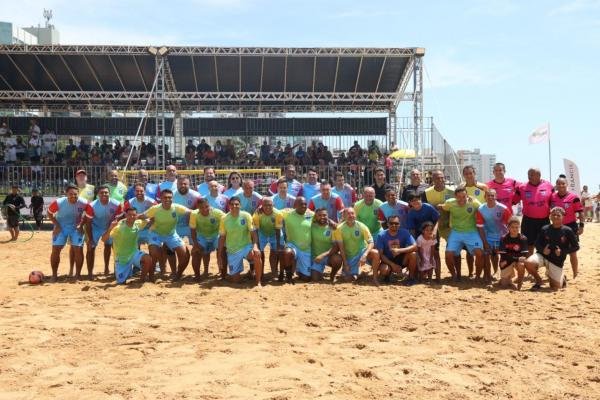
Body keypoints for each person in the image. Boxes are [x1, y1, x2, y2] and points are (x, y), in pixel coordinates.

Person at [525, 207, 579, 290]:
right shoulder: (545, 228)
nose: (556, 217)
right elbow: (537, 243)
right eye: (553, 215)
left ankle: (562, 277)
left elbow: (576, 246)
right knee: (528, 263)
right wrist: (543, 250)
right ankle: (539, 281)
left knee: (555, 287)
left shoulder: (568, 230)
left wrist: (562, 252)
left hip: (556, 261)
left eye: (558, 215)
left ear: (563, 217)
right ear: (550, 216)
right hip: (543, 256)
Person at [47, 184, 93, 281]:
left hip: (76, 227)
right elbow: (49, 213)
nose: (73, 196)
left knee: (78, 249)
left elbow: (89, 215)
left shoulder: (84, 202)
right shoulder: (59, 202)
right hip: (61, 226)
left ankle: (78, 275)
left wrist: (81, 225)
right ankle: (54, 275)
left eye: (75, 194)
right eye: (71, 194)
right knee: (55, 249)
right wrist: (57, 225)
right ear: (66, 194)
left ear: (78, 194)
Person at [438, 186, 485, 281]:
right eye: (459, 197)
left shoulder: (473, 202)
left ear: (467, 195)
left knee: (479, 253)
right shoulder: (450, 203)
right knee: (448, 254)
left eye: (464, 196)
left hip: (472, 232)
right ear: (455, 196)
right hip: (456, 233)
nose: (461, 199)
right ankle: (454, 275)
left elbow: (483, 209)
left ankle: (477, 277)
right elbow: (441, 207)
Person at [217, 196, 263, 286]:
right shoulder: (224, 219)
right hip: (232, 251)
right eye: (232, 204)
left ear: (240, 205)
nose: (234, 206)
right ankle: (245, 274)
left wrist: (255, 246)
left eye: (237, 204)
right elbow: (222, 238)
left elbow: (253, 233)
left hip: (246, 247)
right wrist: (219, 255)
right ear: (229, 206)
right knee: (236, 281)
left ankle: (258, 282)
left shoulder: (246, 215)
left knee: (257, 255)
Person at [145, 189, 191, 278]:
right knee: (154, 252)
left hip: (171, 234)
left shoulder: (176, 207)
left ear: (172, 198)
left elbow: (191, 212)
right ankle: (151, 275)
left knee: (185, 254)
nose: (167, 199)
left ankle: (178, 274)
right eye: (165, 197)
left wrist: (208, 211)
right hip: (156, 234)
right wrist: (125, 218)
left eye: (169, 197)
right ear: (161, 199)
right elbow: (141, 215)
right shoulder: (155, 209)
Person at [101, 207, 154, 284]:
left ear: (136, 215)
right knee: (121, 283)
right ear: (125, 215)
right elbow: (103, 239)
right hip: (121, 258)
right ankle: (126, 273)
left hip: (133, 253)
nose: (132, 217)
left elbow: (150, 220)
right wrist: (110, 228)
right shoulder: (118, 227)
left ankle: (142, 280)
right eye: (129, 215)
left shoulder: (138, 223)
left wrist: (146, 217)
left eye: (134, 215)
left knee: (147, 258)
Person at [86, 185, 124, 278]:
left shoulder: (116, 204)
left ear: (109, 194)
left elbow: (120, 219)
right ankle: (90, 273)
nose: (104, 194)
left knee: (110, 247)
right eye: (101, 193)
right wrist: (90, 239)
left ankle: (108, 268)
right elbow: (88, 224)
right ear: (98, 194)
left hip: (109, 227)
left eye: (106, 192)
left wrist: (114, 226)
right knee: (90, 248)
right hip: (95, 227)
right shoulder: (91, 205)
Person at [334, 207, 380, 283]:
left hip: (361, 252)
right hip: (349, 256)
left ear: (355, 215)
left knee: (375, 253)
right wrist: (345, 263)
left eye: (352, 213)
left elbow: (371, 242)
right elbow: (341, 248)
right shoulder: (339, 229)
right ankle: (360, 272)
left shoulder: (362, 226)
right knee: (347, 279)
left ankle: (375, 278)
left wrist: (365, 255)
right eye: (348, 214)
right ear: (344, 216)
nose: (351, 215)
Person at [514, 168, 554, 255]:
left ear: (539, 176)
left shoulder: (549, 186)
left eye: (532, 174)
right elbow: (513, 201)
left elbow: (555, 201)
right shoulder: (521, 187)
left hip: (544, 221)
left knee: (544, 245)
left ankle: (543, 264)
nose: (529, 176)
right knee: (528, 245)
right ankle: (530, 266)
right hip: (528, 221)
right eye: (529, 174)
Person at [550, 177, 584, 274]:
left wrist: (581, 226)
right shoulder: (552, 197)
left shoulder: (574, 197)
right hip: (556, 227)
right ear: (556, 185)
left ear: (567, 184)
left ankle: (575, 273)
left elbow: (581, 212)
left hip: (571, 227)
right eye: (559, 184)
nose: (561, 186)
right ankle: (555, 272)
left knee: (572, 252)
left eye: (563, 183)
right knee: (556, 251)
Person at [475, 189, 512, 276]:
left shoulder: (503, 208)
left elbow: (511, 225)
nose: (490, 197)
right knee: (486, 255)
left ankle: (497, 272)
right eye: (488, 195)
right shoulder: (481, 209)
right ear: (485, 197)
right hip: (488, 236)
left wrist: (509, 239)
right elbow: (480, 227)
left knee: (498, 255)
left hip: (502, 236)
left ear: (496, 197)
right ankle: (487, 275)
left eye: (492, 195)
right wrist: (484, 242)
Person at [188, 198, 226, 280]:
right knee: (196, 252)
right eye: (201, 207)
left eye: (207, 206)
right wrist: (195, 244)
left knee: (222, 250)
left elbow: (228, 218)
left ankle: (222, 274)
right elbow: (193, 230)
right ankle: (199, 275)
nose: (205, 209)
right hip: (202, 236)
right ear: (197, 207)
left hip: (216, 235)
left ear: (209, 205)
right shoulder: (194, 214)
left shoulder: (217, 212)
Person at [280, 197, 314, 282]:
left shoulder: (310, 214)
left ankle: (299, 269)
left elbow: (322, 217)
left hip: (306, 249)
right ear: (295, 205)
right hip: (292, 245)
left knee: (306, 278)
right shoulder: (287, 213)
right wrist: (260, 208)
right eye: (301, 204)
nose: (304, 206)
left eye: (305, 204)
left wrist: (331, 222)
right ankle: (288, 275)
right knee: (287, 253)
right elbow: (273, 212)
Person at [375, 215, 417, 285]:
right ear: (387, 224)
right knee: (384, 270)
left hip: (401, 259)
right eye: (391, 223)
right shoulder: (381, 235)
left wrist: (399, 250)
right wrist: (393, 265)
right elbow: (381, 254)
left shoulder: (405, 232)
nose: (394, 225)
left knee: (413, 255)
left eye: (396, 223)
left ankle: (411, 277)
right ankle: (387, 276)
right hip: (388, 260)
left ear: (399, 224)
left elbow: (415, 246)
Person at [252, 197, 283, 279]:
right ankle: (260, 272)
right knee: (259, 252)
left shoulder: (278, 214)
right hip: (262, 233)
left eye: (270, 205)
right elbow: (256, 230)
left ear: (273, 205)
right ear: (261, 205)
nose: (268, 207)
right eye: (265, 205)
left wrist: (278, 244)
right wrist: (257, 243)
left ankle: (274, 271)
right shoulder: (257, 214)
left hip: (274, 233)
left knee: (275, 251)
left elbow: (278, 230)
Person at [310, 208, 343, 282]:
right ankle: (318, 270)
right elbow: (306, 213)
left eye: (324, 215)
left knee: (337, 259)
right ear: (315, 216)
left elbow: (336, 247)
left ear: (328, 216)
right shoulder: (311, 226)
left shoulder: (333, 228)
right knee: (315, 279)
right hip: (316, 258)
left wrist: (323, 255)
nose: (322, 217)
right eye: (319, 215)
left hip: (328, 257)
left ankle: (332, 274)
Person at [497, 217, 529, 289]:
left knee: (521, 264)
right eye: (512, 227)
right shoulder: (503, 238)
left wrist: (517, 259)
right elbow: (503, 255)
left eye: (517, 227)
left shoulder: (523, 238)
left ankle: (519, 282)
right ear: (508, 227)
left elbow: (524, 255)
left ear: (519, 227)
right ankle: (505, 279)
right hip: (506, 261)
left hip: (516, 261)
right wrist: (517, 258)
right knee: (504, 285)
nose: (515, 229)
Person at [124, 182, 157, 246]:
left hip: (149, 229)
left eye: (141, 191)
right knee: (135, 250)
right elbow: (125, 216)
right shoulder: (129, 203)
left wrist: (151, 221)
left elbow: (158, 215)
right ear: (134, 192)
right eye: (137, 191)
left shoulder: (152, 202)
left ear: (145, 192)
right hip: (135, 229)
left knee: (154, 249)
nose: (139, 193)